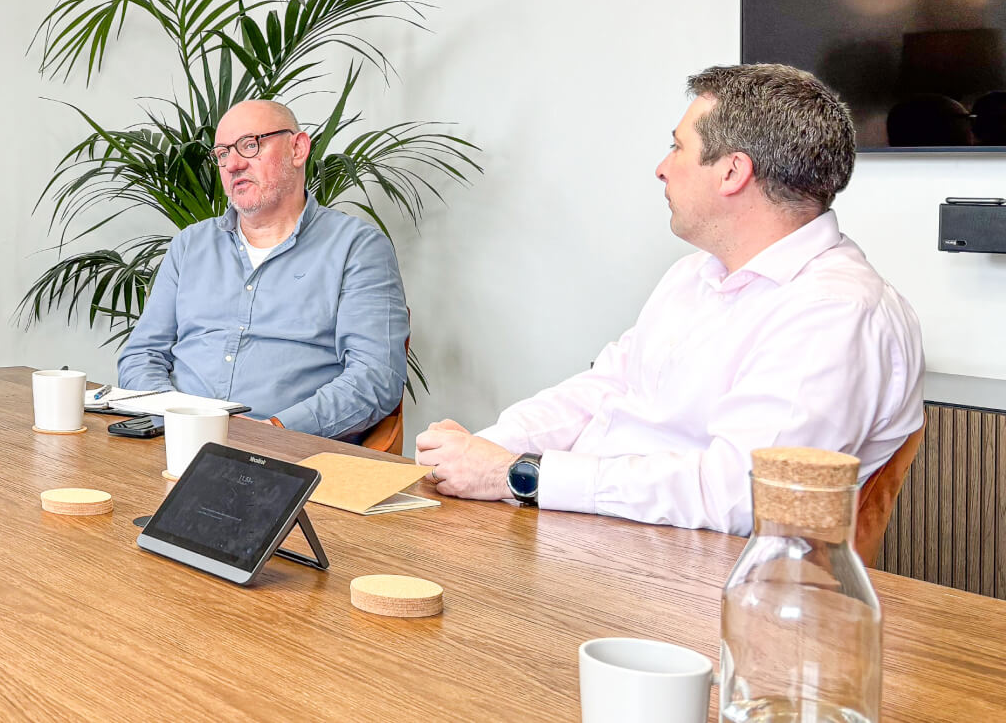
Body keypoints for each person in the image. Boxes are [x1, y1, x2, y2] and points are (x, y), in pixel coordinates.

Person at [415, 64, 924, 536]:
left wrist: (519, 474)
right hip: (593, 533)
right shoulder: (694, 275)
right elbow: (607, 387)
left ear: (732, 172)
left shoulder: (833, 313)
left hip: (691, 586)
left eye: (677, 148)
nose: (661, 168)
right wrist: (489, 447)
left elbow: (742, 497)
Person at [115, 99, 409, 440]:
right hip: (173, 441)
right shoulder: (190, 245)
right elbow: (142, 355)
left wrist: (275, 433)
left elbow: (375, 376)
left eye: (250, 145)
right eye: (223, 153)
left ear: (298, 149)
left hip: (288, 455)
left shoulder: (357, 247)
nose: (234, 164)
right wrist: (175, 417)